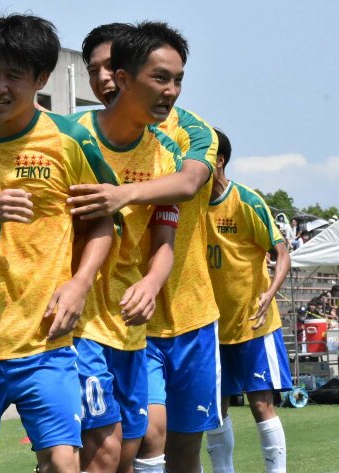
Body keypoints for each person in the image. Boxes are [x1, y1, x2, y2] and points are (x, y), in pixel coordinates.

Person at [0, 14, 116, 473]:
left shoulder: (70, 140)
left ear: (41, 79)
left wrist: (80, 284)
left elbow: (104, 224)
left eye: (14, 74)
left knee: (63, 463)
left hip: (46, 343)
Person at [68, 22, 220, 473]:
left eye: (176, 80)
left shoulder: (178, 142)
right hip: (90, 317)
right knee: (118, 443)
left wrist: (124, 195)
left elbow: (187, 185)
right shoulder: (71, 135)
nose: (102, 80)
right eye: (93, 70)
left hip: (179, 314)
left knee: (171, 447)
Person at [205, 129, 292, 473]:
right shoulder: (191, 205)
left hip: (254, 324)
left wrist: (269, 293)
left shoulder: (246, 201)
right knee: (214, 409)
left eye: (201, 154)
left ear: (219, 160)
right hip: (211, 327)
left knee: (260, 405)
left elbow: (281, 253)